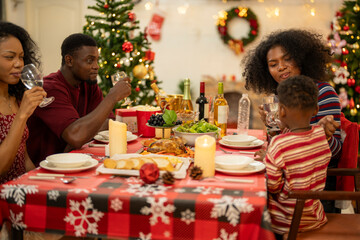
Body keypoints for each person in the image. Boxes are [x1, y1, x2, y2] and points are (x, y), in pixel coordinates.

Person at [243, 29, 342, 212]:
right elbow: (285, 145)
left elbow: (336, 152)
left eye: (287, 59)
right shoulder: (280, 96)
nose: (281, 67)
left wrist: (326, 135)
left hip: (314, 192)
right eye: (273, 64)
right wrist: (273, 127)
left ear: (301, 58)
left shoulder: (322, 93)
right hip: (287, 185)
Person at [27, 33, 131, 166]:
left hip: (76, 161)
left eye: (97, 60)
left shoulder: (88, 84)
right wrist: (112, 97)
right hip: (47, 168)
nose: (96, 66)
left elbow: (108, 123)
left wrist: (82, 131)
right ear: (69, 60)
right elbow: (76, 137)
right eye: (89, 60)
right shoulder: (50, 88)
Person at [264, 76, 332, 238]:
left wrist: (265, 160)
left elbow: (272, 186)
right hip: (315, 217)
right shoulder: (320, 134)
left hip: (285, 222)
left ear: (281, 110)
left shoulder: (278, 144)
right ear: (316, 110)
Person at [0, 21, 47, 184]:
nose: (19, 64)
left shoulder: (15, 99)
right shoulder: (21, 109)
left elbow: (23, 157)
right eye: (9, 57)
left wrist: (42, 182)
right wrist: (21, 116)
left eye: (21, 57)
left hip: (21, 190)